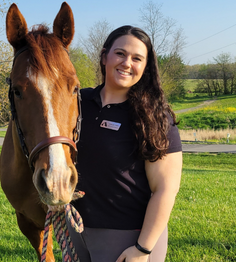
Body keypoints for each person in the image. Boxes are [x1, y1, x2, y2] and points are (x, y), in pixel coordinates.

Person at [70, 25, 182, 262]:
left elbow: (165, 189)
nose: (127, 63)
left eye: (137, 58)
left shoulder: (155, 117)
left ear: (146, 66)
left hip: (129, 236)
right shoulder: (78, 103)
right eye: (120, 53)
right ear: (104, 56)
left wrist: (142, 249)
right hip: (76, 228)